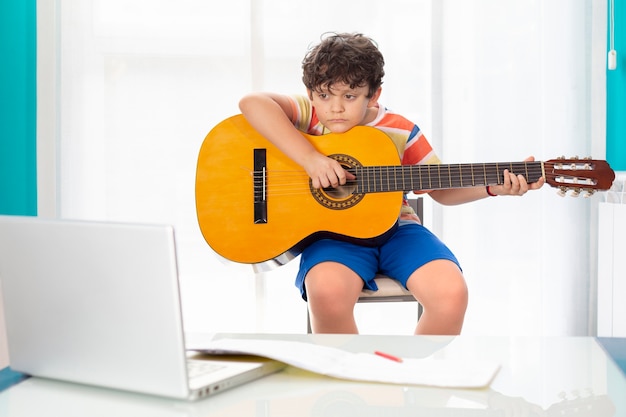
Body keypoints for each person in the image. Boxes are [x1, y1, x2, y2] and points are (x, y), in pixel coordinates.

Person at [239, 32, 544, 335]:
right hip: (331, 236)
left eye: (349, 96)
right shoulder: (309, 115)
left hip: (398, 231)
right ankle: (349, 378)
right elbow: (252, 103)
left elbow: (442, 190)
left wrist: (493, 187)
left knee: (451, 294)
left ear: (373, 95)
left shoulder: (400, 130)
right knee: (327, 293)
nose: (335, 107)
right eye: (324, 95)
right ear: (310, 93)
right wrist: (310, 159)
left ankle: (409, 377)